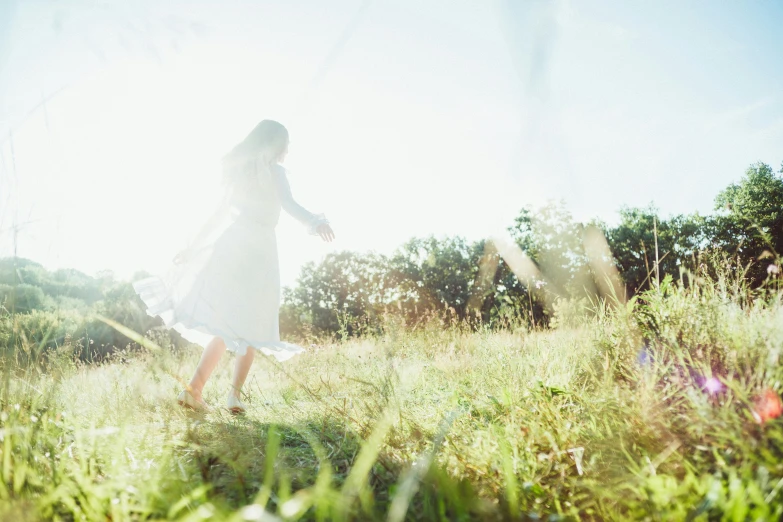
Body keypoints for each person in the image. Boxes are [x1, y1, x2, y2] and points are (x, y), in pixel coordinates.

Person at [133, 119, 334, 414]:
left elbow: (217, 215)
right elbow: (289, 204)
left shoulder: (238, 173)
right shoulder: (275, 172)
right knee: (252, 322)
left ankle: (194, 390)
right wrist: (316, 222)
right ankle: (233, 396)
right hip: (260, 250)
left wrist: (191, 248)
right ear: (276, 144)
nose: (287, 149)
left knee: (228, 322)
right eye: (285, 143)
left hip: (232, 244)